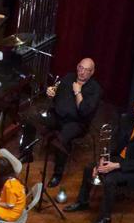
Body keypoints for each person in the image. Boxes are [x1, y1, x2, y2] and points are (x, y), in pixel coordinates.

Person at [66, 95, 134, 223]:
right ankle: (82, 202)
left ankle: (105, 218)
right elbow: (116, 143)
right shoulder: (128, 121)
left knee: (110, 179)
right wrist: (103, 159)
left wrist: (114, 166)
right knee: (89, 168)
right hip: (119, 159)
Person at [43, 57, 102, 187]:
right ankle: (27, 153)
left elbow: (84, 112)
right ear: (77, 67)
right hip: (58, 116)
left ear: (92, 72)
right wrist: (50, 93)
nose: (82, 72)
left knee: (62, 139)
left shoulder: (95, 89)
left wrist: (78, 91)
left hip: (77, 123)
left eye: (86, 70)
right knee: (32, 117)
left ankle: (57, 174)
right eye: (80, 68)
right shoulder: (68, 77)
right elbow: (55, 96)